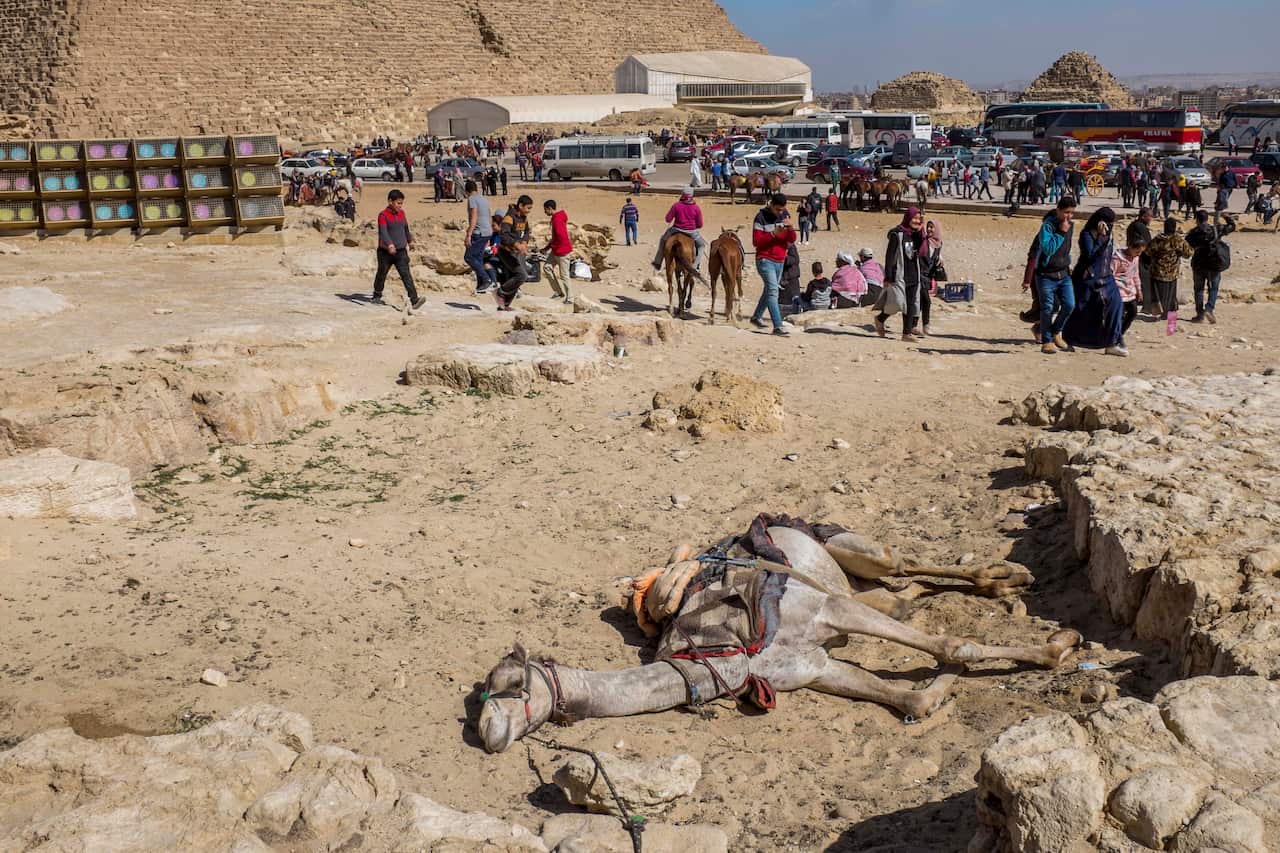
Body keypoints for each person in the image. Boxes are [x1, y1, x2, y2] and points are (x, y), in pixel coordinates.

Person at [1062, 207, 1126, 356]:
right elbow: (1090, 255)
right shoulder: (1087, 234)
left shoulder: (1109, 234)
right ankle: (1065, 338)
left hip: (1106, 278)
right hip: (1087, 278)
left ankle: (1112, 342)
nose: (1110, 226)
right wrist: (1100, 238)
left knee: (1116, 305)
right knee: (1079, 309)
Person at [1022, 196, 1077, 355]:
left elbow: (1065, 248)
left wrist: (1068, 263)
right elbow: (1048, 249)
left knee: (1069, 305)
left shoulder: (1070, 225)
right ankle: (1046, 341)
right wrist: (1060, 231)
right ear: (1058, 210)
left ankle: (1056, 331)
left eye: (1072, 213)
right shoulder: (1048, 226)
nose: (1069, 216)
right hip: (1046, 275)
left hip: (1064, 274)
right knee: (1047, 308)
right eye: (1066, 212)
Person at [873, 207, 927, 342]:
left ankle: (906, 334)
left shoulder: (916, 234)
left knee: (910, 304)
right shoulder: (897, 234)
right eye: (914, 218)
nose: (916, 221)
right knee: (897, 303)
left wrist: (921, 231)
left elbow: (921, 250)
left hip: (914, 273)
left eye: (918, 218)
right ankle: (880, 319)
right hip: (900, 274)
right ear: (908, 218)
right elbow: (890, 256)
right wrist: (888, 276)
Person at [749, 193, 795, 336]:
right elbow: (756, 242)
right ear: (771, 205)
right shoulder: (760, 217)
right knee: (773, 291)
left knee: (769, 290)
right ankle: (777, 325)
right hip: (765, 259)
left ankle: (756, 317)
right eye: (777, 210)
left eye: (782, 210)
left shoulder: (785, 214)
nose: (780, 213)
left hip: (780, 260)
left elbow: (791, 239)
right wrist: (773, 234)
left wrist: (791, 228)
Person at [372, 189, 424, 309]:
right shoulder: (383, 215)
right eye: (398, 203)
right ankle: (376, 295)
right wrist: (390, 244)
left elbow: (406, 229)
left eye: (401, 203)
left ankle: (414, 300)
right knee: (382, 273)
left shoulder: (402, 213)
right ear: (390, 201)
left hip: (400, 251)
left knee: (406, 275)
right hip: (385, 252)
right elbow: (383, 233)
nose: (400, 206)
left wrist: (410, 241)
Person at [1186, 209, 1236, 324]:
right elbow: (1232, 226)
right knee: (1213, 288)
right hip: (1214, 263)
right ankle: (1209, 309)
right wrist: (1227, 217)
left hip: (1198, 264)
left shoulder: (1193, 233)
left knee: (1198, 289)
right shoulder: (1216, 229)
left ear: (1196, 219)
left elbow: (1187, 246)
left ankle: (1199, 315)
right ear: (1207, 218)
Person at [1146, 217, 1194, 324]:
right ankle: (1171, 324)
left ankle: (1159, 315)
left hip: (1157, 272)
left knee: (1159, 296)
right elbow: (1189, 253)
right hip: (1171, 273)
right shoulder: (1177, 240)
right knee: (1171, 297)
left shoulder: (1157, 239)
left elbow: (1148, 251)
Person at [494, 195, 533, 311]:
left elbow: (526, 231)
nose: (529, 211)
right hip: (506, 252)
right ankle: (500, 292)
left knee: (516, 277)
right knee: (521, 275)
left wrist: (525, 242)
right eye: (528, 208)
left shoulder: (523, 217)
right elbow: (503, 236)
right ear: (520, 206)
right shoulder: (509, 217)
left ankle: (504, 305)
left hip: (517, 253)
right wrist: (516, 244)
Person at [651, 189, 705, 274]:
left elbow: (668, 219)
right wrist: (693, 226)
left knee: (663, 240)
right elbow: (700, 224)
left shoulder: (676, 205)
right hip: (691, 231)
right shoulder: (696, 207)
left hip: (676, 229)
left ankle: (658, 262)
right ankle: (695, 266)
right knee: (701, 245)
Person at [1112, 232, 1146, 350]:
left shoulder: (1135, 258)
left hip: (1130, 291)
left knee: (1132, 312)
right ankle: (1117, 338)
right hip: (1119, 291)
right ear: (1130, 247)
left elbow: (1135, 274)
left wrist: (1139, 290)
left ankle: (1119, 334)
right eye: (1137, 251)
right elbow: (1111, 275)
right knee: (1119, 316)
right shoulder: (1117, 258)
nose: (1138, 254)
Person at [463, 180, 496, 295]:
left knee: (469, 257)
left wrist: (468, 234)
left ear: (467, 191)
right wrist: (490, 233)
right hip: (487, 231)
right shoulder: (483, 198)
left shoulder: (472, 199)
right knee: (479, 258)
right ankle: (481, 284)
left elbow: (474, 216)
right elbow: (489, 215)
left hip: (479, 232)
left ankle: (487, 280)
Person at [914, 219, 944, 337]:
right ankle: (925, 325)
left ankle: (914, 325)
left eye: (932, 227)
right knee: (926, 300)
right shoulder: (923, 242)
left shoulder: (938, 244)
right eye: (928, 227)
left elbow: (935, 256)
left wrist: (940, 259)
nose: (930, 229)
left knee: (921, 302)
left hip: (927, 276)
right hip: (918, 274)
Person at [541, 199, 574, 304]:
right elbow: (555, 237)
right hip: (556, 250)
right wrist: (546, 249)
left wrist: (552, 247)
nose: (545, 212)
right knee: (547, 268)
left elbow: (560, 236)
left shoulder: (557, 220)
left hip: (562, 251)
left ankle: (570, 298)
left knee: (564, 275)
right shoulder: (556, 218)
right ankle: (558, 292)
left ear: (550, 208)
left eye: (545, 210)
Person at [780, 241, 802, 307]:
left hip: (791, 277)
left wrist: (785, 257)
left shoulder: (790, 245)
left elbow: (796, 259)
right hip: (783, 278)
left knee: (795, 302)